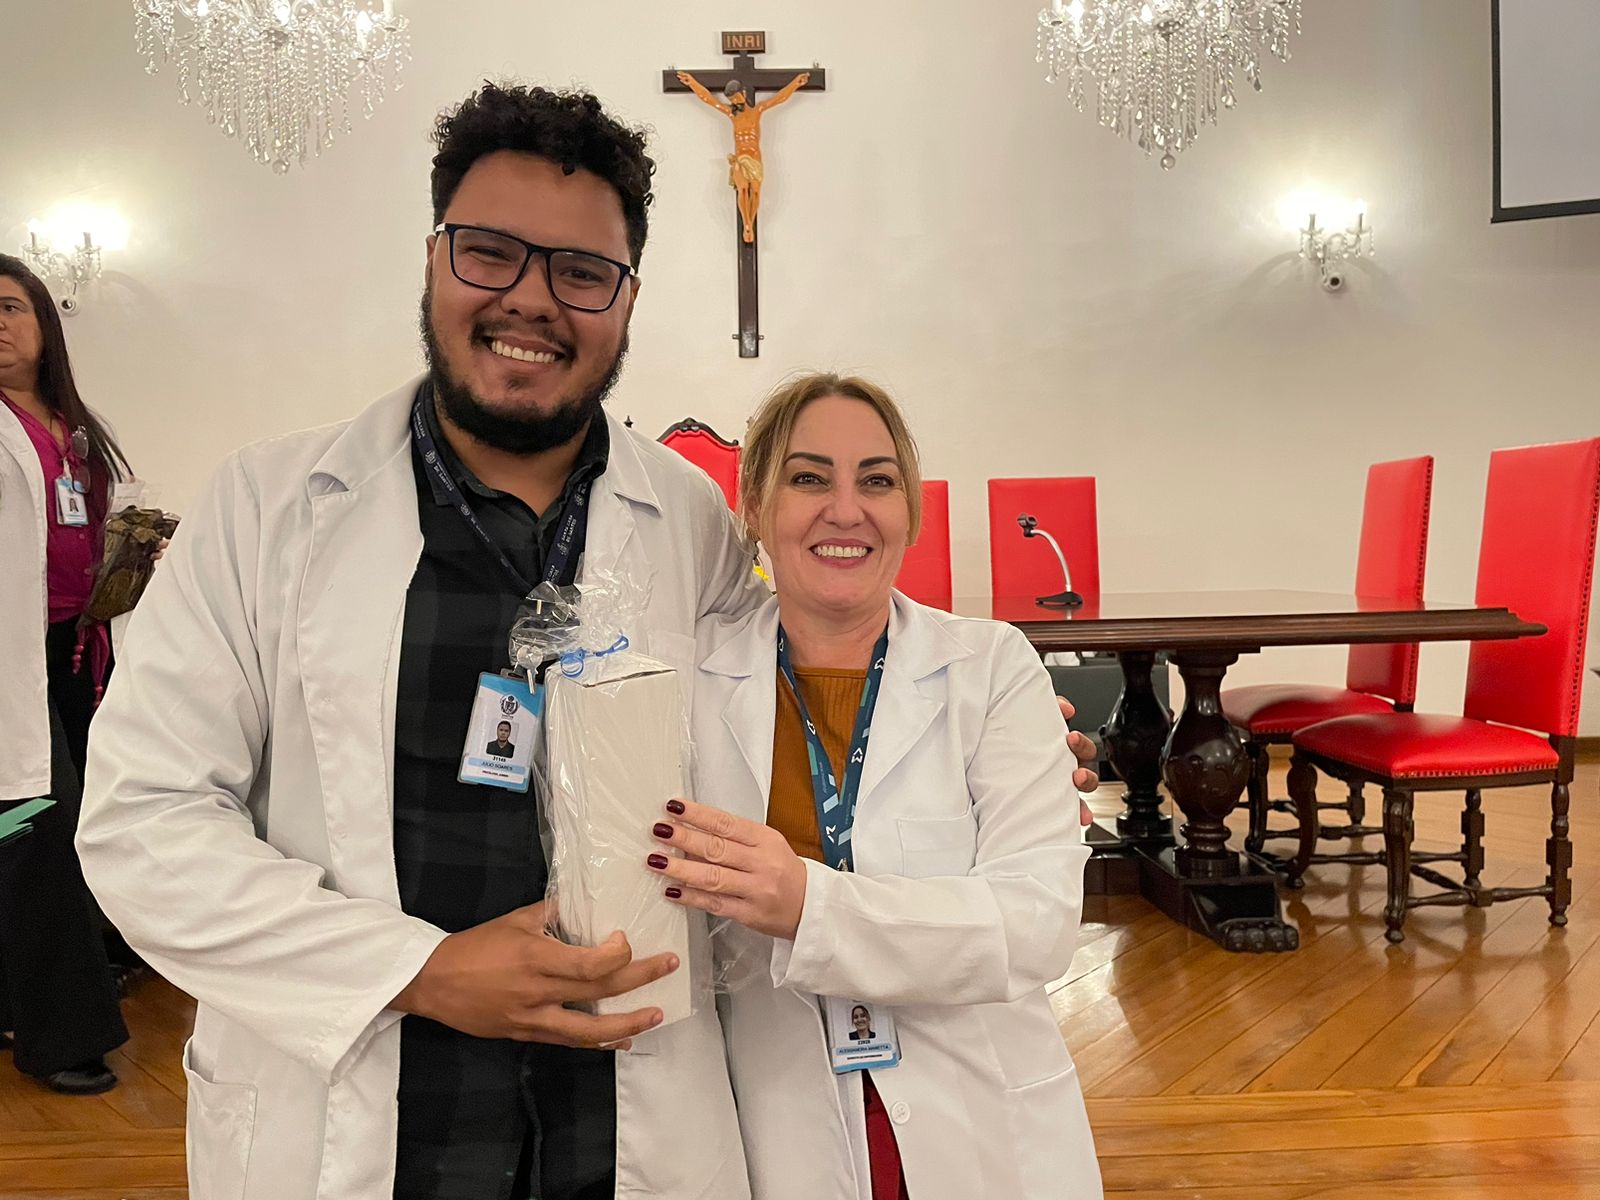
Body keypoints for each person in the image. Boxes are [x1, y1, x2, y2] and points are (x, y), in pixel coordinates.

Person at [78, 85, 1100, 1200]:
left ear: (626, 299)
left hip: (627, 1116)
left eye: (579, 271)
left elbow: (776, 693)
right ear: (433, 259)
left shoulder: (691, 522)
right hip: (369, 1106)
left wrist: (988, 735)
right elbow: (145, 820)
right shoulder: (266, 511)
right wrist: (420, 971)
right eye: (489, 252)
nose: (530, 299)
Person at [650, 373, 1103, 1199]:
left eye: (877, 480)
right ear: (755, 506)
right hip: (778, 1115)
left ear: (910, 511)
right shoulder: (689, 679)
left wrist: (808, 905)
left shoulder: (991, 667)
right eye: (809, 477)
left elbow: (1035, 925)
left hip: (978, 1114)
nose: (846, 509)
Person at [0, 254, 131, 1095]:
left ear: (45, 323)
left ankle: (25, 996)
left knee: (76, 818)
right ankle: (63, 1033)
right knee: (40, 824)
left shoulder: (75, 425)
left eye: (11, 306)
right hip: (10, 657)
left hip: (77, 648)